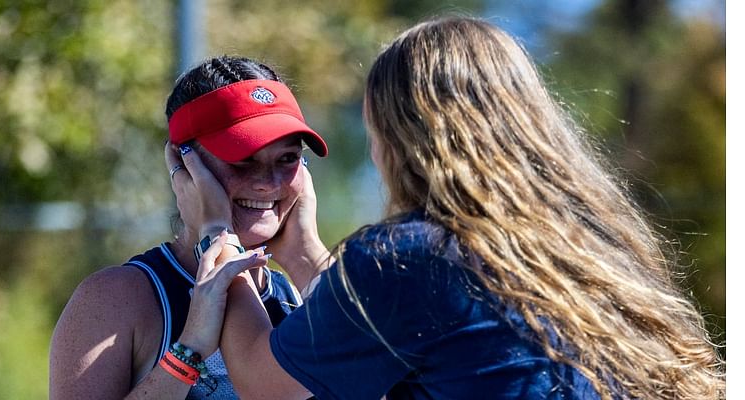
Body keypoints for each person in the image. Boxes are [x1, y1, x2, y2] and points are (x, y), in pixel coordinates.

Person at [172, 16, 725, 400]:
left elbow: (261, 382)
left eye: (374, 129)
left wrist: (216, 232)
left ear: (401, 138)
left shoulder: (404, 258)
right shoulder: (590, 243)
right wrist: (308, 254)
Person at [49, 56, 329, 399]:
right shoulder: (117, 298)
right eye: (242, 160)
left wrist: (306, 252)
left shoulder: (304, 297)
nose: (268, 183)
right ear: (185, 166)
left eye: (287, 159)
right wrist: (189, 350)